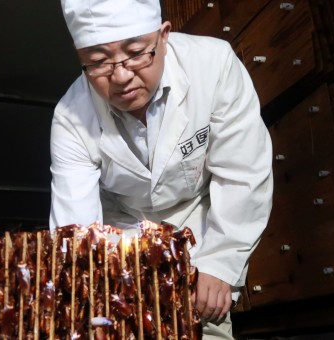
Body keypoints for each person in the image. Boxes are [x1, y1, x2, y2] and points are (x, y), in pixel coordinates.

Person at [49, 0, 273, 337]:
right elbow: (75, 230)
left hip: (197, 221)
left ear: (163, 36)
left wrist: (220, 262)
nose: (121, 76)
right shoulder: (70, 118)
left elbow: (243, 173)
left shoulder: (213, 65)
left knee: (204, 326)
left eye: (137, 52)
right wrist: (85, 299)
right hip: (122, 229)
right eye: (97, 62)